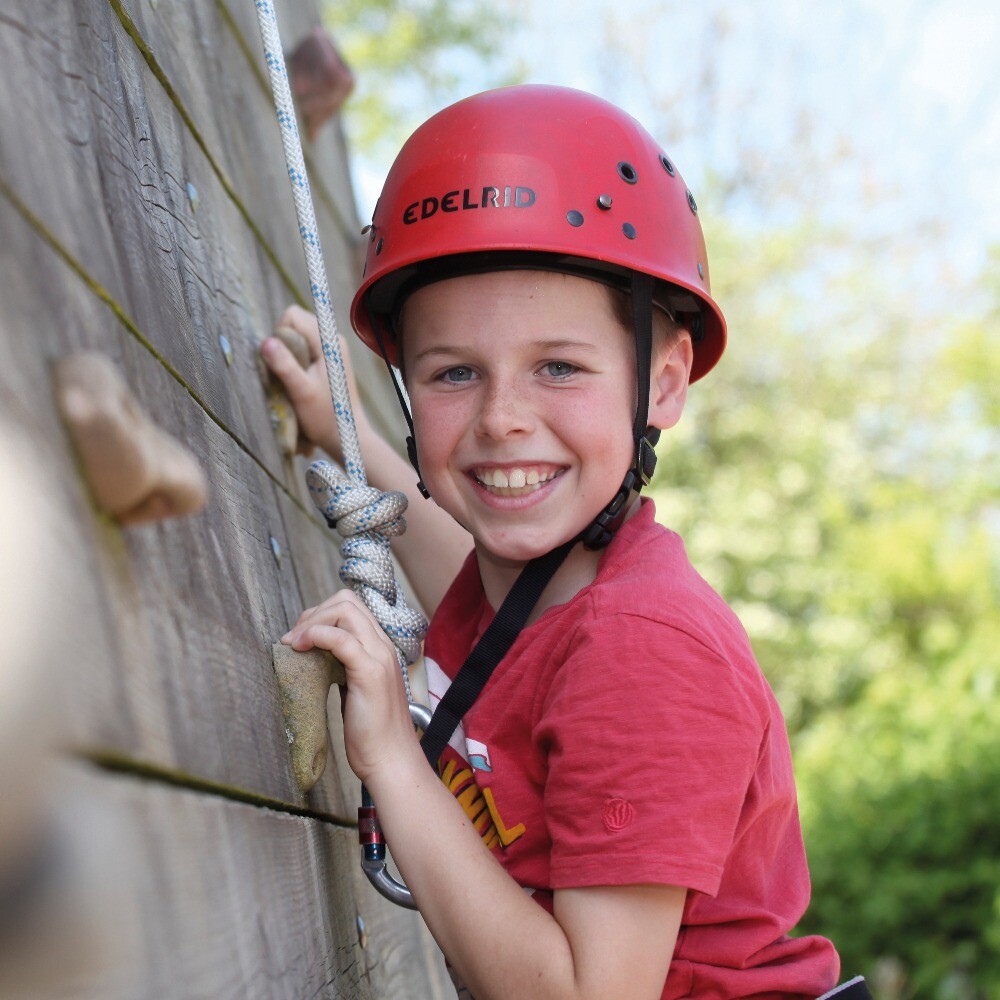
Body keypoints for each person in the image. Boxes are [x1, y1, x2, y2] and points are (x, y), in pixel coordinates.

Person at [264, 85, 845, 1000]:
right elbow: (476, 585)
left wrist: (385, 752)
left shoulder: (643, 651)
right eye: (455, 374)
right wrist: (344, 436)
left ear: (661, 384)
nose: (501, 421)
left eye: (559, 368)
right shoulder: (553, 598)